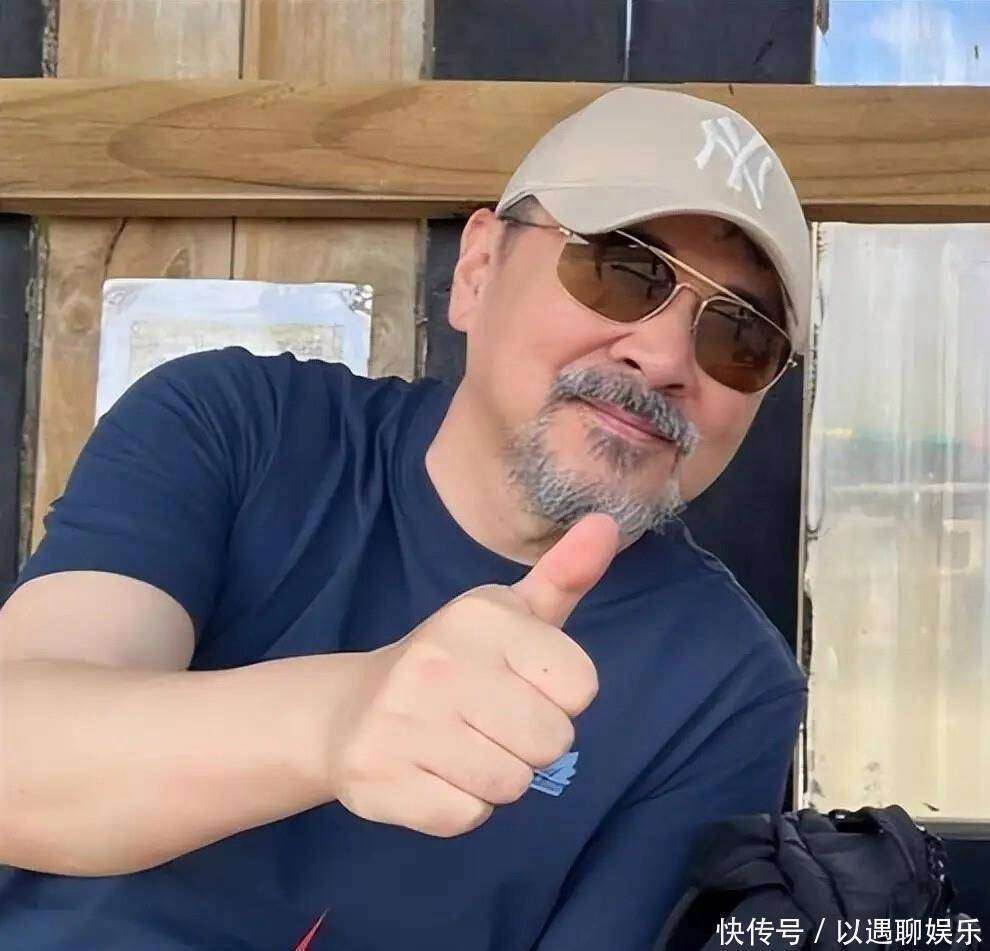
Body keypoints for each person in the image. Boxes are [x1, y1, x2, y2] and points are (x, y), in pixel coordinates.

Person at [0, 87, 811, 950]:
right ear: (478, 269)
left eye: (740, 335)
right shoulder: (235, 425)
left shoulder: (725, 682)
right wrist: (338, 717)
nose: (665, 356)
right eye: (624, 269)